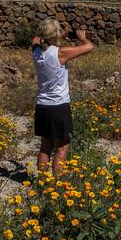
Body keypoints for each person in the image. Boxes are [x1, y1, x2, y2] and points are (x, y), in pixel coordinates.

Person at [32, 19, 94, 176]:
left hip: (42, 105)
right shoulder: (60, 53)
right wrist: (82, 38)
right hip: (59, 106)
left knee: (45, 147)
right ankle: (58, 185)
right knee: (61, 149)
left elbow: (36, 39)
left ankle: (42, 181)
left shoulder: (36, 52)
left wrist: (57, 36)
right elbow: (89, 47)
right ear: (55, 34)